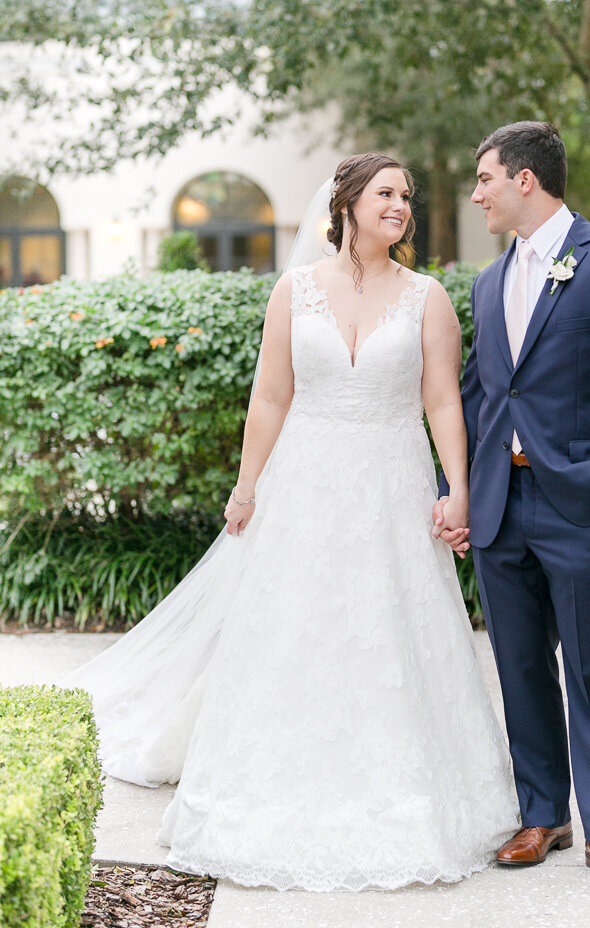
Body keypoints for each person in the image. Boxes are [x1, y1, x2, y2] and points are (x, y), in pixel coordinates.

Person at [63, 152, 518, 892]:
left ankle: (405, 795)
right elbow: (271, 397)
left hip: (392, 490)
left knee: (388, 630)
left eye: (406, 195)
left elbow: (443, 402)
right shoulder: (295, 290)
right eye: (386, 193)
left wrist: (456, 490)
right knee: (293, 628)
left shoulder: (428, 297)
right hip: (303, 487)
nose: (401, 205)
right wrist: (246, 488)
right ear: (345, 204)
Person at [434, 122, 590, 893]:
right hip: (505, 507)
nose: (476, 194)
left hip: (585, 505)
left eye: (484, 179)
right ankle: (543, 812)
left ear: (525, 182)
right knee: (520, 668)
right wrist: (468, 493)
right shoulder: (488, 281)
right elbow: (484, 393)